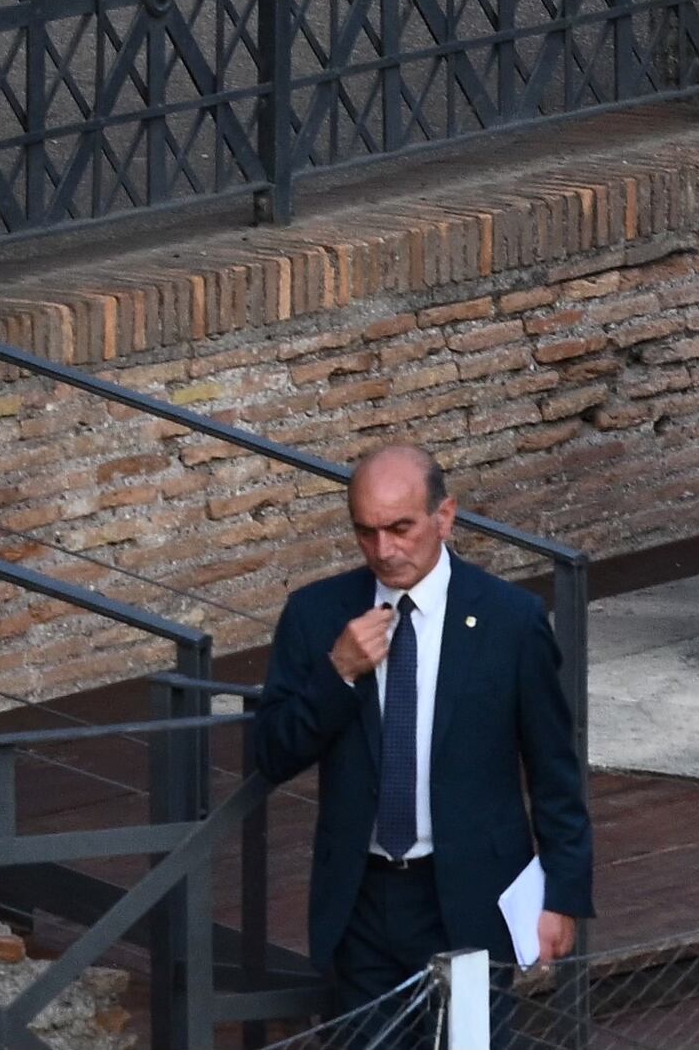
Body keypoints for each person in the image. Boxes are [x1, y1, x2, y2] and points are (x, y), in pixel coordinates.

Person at [250, 445, 588, 1048]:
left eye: (400, 528)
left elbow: (554, 769)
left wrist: (560, 895)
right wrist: (338, 674)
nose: (384, 551)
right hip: (360, 901)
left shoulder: (511, 620)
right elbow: (272, 753)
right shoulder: (316, 614)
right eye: (366, 532)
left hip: (468, 897)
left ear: (445, 517)